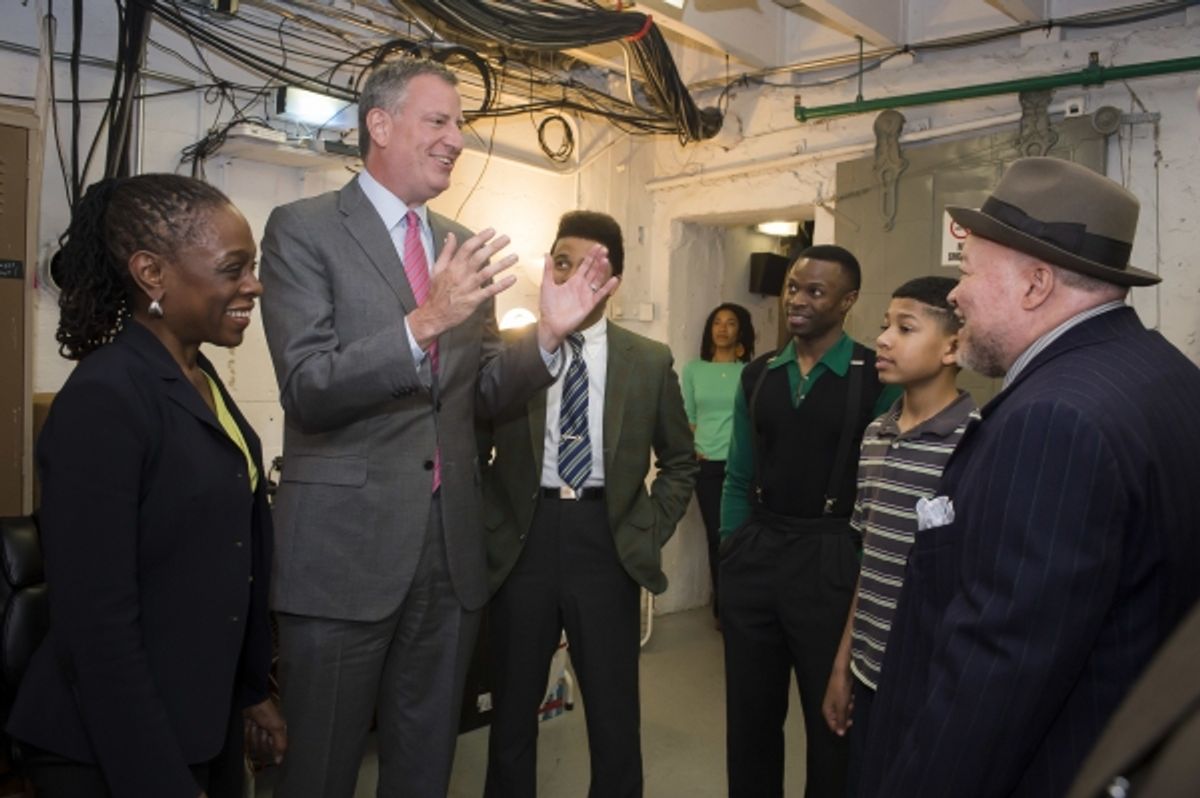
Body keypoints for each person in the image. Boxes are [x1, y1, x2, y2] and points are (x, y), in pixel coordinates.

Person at [258, 59, 613, 798]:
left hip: (449, 553)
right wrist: (423, 322)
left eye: (460, 124)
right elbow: (308, 387)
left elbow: (483, 388)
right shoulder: (304, 230)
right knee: (318, 769)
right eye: (439, 121)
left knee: (424, 766)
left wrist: (545, 337)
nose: (457, 139)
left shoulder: (458, 242)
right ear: (379, 125)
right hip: (344, 554)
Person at [859, 157, 1200, 798]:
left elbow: (997, 671)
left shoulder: (1054, 418)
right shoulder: (1168, 376)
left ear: (1037, 284)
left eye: (967, 272)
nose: (955, 295)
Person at [6, 174, 286, 797]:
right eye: (233, 269)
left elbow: (220, 557)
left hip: (197, 720)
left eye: (254, 267)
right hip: (113, 744)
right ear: (151, 273)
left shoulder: (197, 374)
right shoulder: (105, 398)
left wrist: (249, 695)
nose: (253, 285)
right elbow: (97, 625)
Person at [481, 210, 697, 798]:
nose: (573, 275)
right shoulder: (511, 350)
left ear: (613, 283)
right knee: (512, 711)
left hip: (607, 540)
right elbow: (473, 448)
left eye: (590, 267)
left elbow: (681, 460)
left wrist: (648, 526)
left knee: (612, 713)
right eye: (562, 262)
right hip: (524, 539)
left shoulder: (647, 361)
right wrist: (490, 522)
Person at [719, 245, 900, 798]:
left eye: (815, 291)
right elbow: (737, 471)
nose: (797, 299)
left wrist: (863, 574)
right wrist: (731, 549)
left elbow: (884, 492)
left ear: (847, 302)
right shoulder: (758, 375)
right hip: (757, 555)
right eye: (793, 287)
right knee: (750, 721)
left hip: (832, 559)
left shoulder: (875, 378)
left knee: (833, 725)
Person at [819, 276, 978, 796]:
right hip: (868, 672)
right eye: (885, 325)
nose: (883, 339)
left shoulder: (976, 444)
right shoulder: (875, 435)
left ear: (953, 345)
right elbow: (871, 563)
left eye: (905, 328)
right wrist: (843, 666)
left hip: (932, 681)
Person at [682, 303, 755, 623]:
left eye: (731, 323)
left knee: (744, 536)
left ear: (741, 331)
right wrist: (691, 449)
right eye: (717, 322)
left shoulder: (750, 371)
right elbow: (689, 418)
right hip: (707, 465)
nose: (723, 328)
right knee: (718, 536)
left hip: (741, 464)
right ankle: (724, 611)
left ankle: (743, 605)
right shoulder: (693, 370)